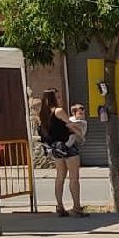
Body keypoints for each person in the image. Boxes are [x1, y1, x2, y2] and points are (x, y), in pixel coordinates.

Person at [37, 90, 85, 218]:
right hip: (68, 146)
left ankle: (59, 206)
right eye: (58, 97)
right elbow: (69, 124)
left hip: (56, 148)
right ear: (53, 98)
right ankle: (76, 207)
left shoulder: (43, 113)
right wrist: (80, 132)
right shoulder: (58, 111)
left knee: (60, 177)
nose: (60, 99)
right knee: (74, 178)